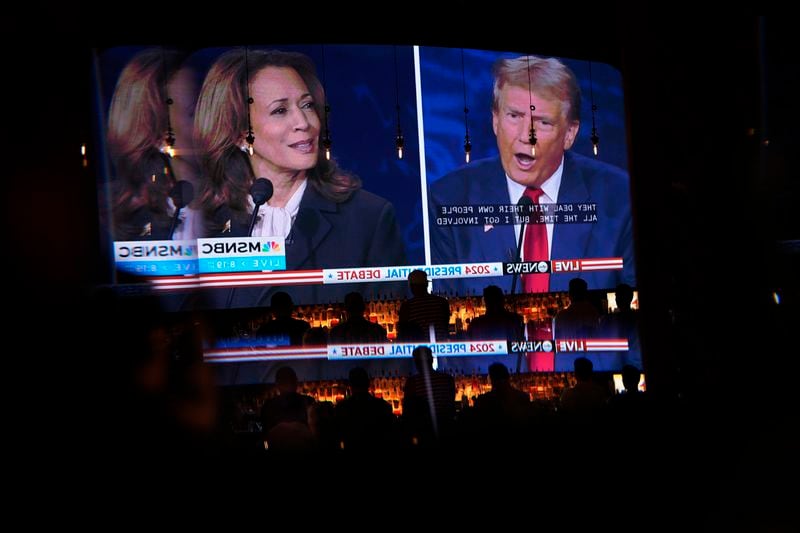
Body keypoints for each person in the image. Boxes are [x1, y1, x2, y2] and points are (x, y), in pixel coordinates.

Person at [193, 48, 406, 307]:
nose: (304, 122)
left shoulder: (368, 217)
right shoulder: (202, 222)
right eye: (280, 110)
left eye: (307, 105)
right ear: (239, 132)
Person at [428, 55, 634, 296]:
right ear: (495, 121)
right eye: (514, 116)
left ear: (570, 133)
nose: (527, 135)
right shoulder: (450, 197)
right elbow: (448, 315)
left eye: (543, 122)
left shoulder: (619, 198)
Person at [106, 48, 201, 241]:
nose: (213, 121)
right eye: (194, 112)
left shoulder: (244, 201)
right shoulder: (118, 221)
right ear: (158, 131)